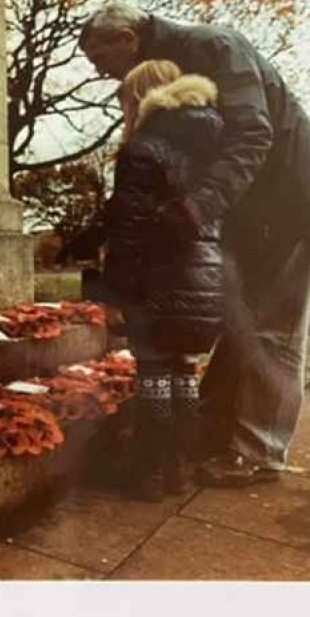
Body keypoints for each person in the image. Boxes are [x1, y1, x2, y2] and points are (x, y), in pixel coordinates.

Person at [78, 2, 310, 487]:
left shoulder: (213, 45)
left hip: (290, 200)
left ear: (127, 38)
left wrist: (198, 206)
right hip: (241, 209)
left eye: (99, 57)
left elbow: (253, 133)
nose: (99, 71)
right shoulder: (176, 66)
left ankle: (258, 451)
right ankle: (215, 435)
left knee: (272, 330)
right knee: (237, 323)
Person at [104, 60, 225, 500]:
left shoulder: (143, 148)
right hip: (205, 275)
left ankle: (148, 473)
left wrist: (114, 290)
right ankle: (178, 470)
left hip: (157, 276)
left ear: (138, 99)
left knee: (154, 370)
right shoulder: (212, 144)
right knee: (184, 371)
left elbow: (129, 226)